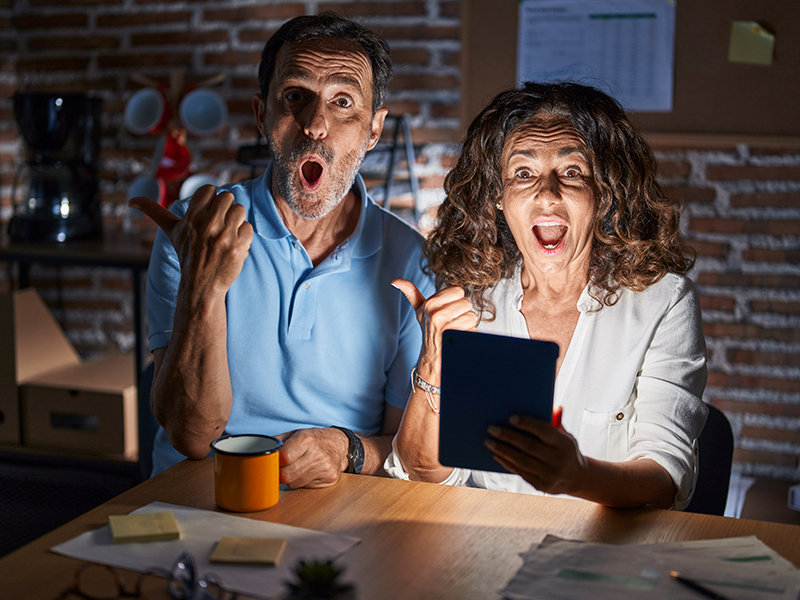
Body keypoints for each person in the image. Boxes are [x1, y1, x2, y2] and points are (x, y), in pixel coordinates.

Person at [129, 13, 434, 485]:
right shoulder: (200, 231)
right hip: (199, 494)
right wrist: (203, 285)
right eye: (295, 97)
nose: (315, 124)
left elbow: (401, 449)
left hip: (337, 499)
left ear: (373, 131)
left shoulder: (412, 260)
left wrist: (344, 447)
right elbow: (190, 436)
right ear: (262, 115)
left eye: (343, 102)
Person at [389, 82, 708, 510]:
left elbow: (665, 480)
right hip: (483, 547)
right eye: (523, 173)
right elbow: (418, 475)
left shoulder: (663, 303)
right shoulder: (473, 301)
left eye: (572, 172)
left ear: (605, 193)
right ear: (498, 198)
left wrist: (577, 476)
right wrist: (433, 363)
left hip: (605, 552)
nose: (547, 193)